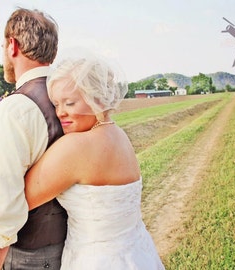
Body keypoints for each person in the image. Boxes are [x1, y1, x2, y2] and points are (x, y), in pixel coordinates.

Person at [24, 52, 165, 269]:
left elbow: (20, 198)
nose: (60, 112)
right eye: (56, 104)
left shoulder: (76, 147)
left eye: (69, 103)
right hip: (137, 253)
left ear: (97, 99)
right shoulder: (119, 136)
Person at [0, 8, 67, 270]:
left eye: (3, 45)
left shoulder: (16, 109)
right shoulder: (75, 97)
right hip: (73, 244)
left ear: (12, 45)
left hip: (31, 257)